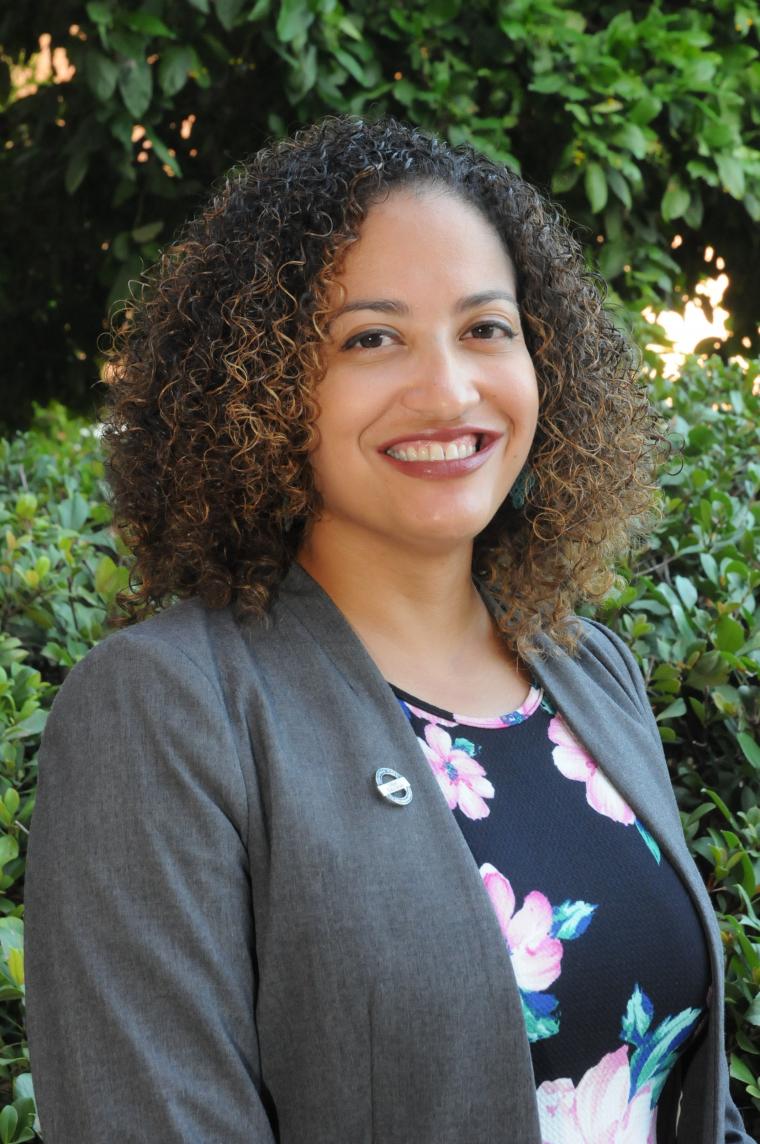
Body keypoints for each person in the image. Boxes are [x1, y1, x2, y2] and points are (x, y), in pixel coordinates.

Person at [25, 116, 754, 1144]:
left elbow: (676, 1088)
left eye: (485, 328)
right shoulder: (164, 711)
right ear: (264, 387)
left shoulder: (587, 668)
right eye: (371, 337)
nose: (448, 390)